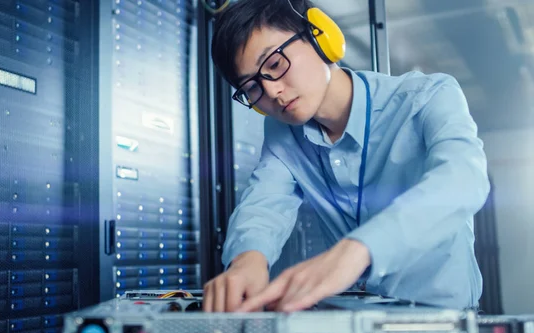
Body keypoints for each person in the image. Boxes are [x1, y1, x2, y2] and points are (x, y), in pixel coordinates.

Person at [202, 0, 490, 313]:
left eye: (273, 64)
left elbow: (464, 180)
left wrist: (357, 252)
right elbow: (263, 205)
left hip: (445, 320)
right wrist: (247, 260)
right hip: (357, 320)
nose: (271, 92)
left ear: (320, 35)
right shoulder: (282, 134)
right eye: (251, 87)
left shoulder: (428, 96)